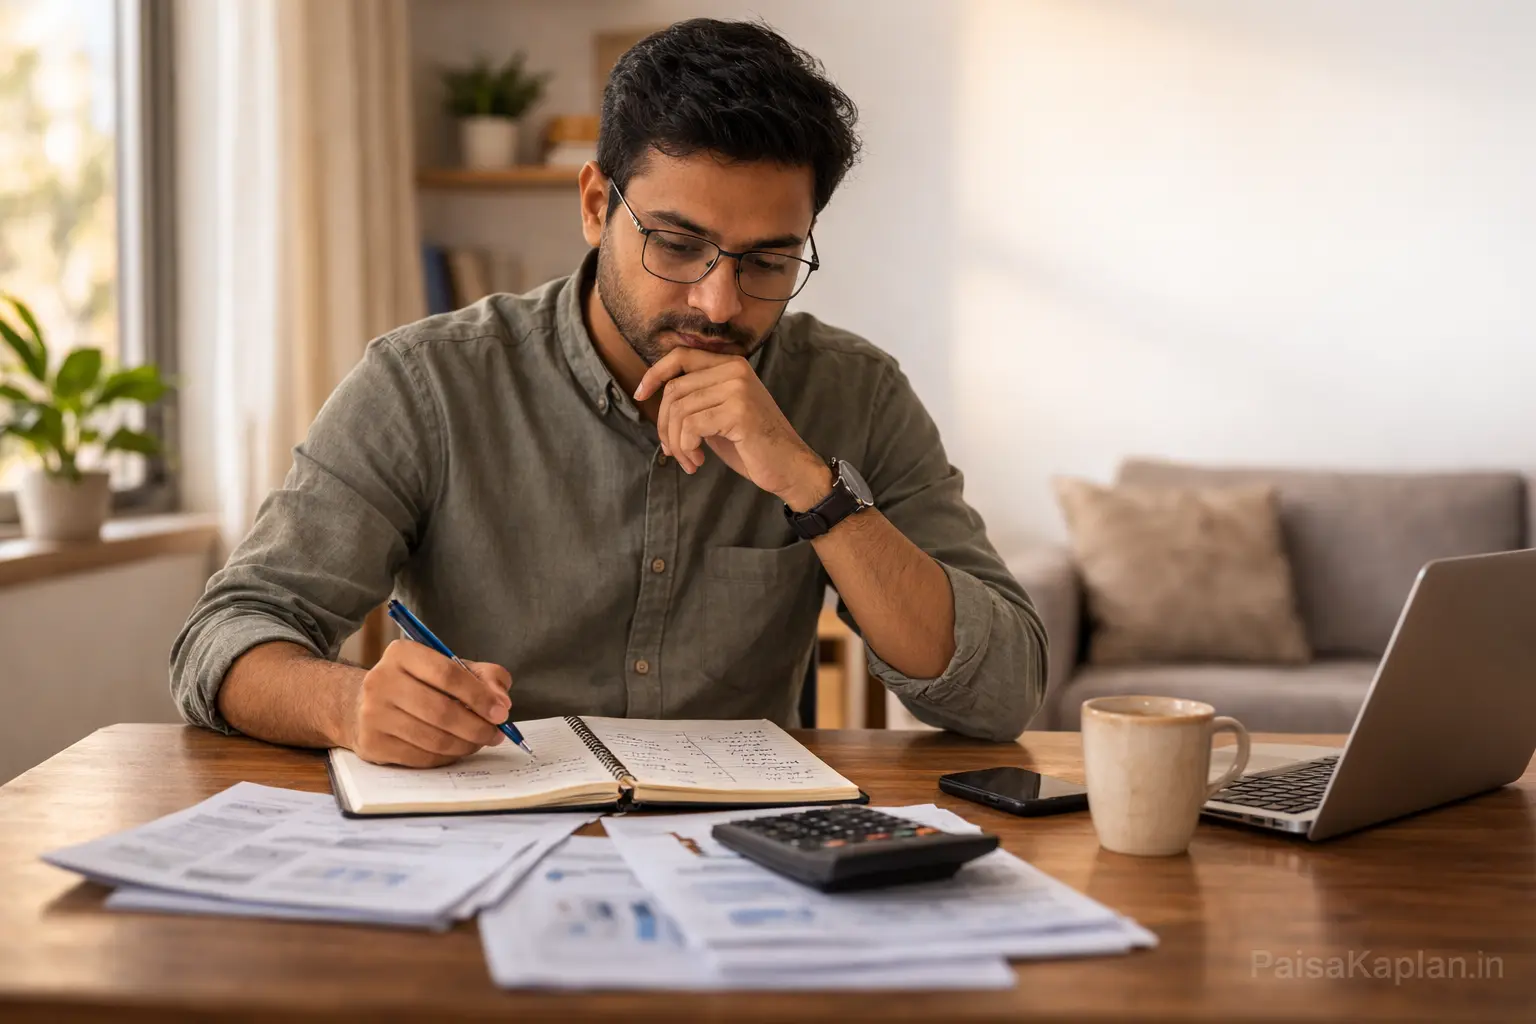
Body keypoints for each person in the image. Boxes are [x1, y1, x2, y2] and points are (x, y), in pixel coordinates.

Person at [171, 18, 1048, 767]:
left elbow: (1002, 692)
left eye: (770, 261)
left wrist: (813, 489)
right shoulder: (427, 382)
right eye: (675, 243)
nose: (718, 301)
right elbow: (224, 636)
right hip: (484, 833)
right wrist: (349, 705)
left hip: (743, 858)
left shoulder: (855, 393)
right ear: (596, 206)